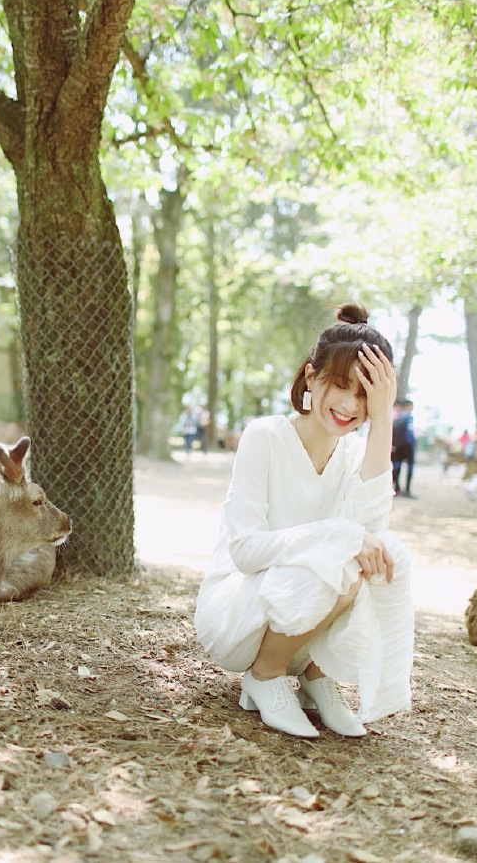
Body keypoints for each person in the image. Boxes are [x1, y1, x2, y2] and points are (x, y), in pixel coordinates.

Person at [194, 303, 413, 739]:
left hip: (307, 620)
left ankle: (316, 675)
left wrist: (383, 418)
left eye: (367, 395)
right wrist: (337, 535)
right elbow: (245, 551)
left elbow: (373, 531)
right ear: (311, 377)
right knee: (343, 552)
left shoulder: (353, 453)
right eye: (340, 385)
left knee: (385, 551)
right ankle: (265, 676)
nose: (351, 405)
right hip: (240, 612)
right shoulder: (266, 436)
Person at [391, 399, 417, 498]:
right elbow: (409, 435)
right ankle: (406, 490)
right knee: (408, 467)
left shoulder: (397, 418)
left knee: (397, 467)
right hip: (407, 447)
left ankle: (397, 489)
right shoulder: (407, 418)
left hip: (398, 447)